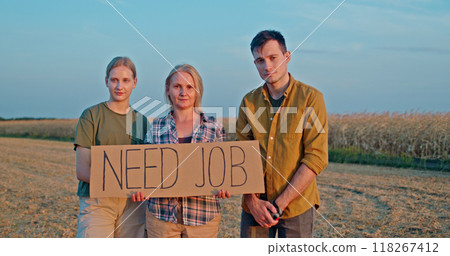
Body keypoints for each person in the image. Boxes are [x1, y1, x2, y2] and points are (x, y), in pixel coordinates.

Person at [237, 30, 328, 238]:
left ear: (287, 57)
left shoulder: (310, 99)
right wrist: (252, 201)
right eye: (260, 60)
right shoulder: (248, 102)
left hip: (297, 206)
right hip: (255, 209)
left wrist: (280, 204)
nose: (267, 66)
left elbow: (316, 157)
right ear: (255, 64)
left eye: (273, 58)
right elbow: (242, 156)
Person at [132, 64, 230, 238]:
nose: (183, 92)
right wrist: (141, 187)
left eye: (189, 87)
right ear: (168, 90)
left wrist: (224, 185)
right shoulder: (156, 127)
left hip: (203, 217)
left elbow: (222, 170)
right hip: (161, 218)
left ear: (197, 91)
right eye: (177, 86)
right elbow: (144, 169)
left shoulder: (214, 127)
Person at [74, 56, 148, 238]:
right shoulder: (91, 116)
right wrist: (121, 184)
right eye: (114, 80)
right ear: (106, 81)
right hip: (97, 200)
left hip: (132, 202)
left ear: (135, 82)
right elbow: (83, 170)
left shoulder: (141, 121)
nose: (119, 86)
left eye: (125, 81)